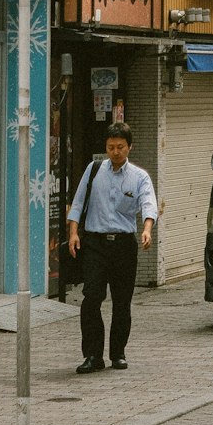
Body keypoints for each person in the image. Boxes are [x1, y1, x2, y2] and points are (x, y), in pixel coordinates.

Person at [67, 122, 158, 373]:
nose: (115, 152)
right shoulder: (94, 170)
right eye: (110, 147)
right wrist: (74, 233)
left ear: (130, 147)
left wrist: (147, 229)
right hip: (95, 244)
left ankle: (118, 353)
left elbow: (149, 204)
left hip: (123, 246)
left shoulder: (139, 177)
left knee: (121, 302)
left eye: (120, 147)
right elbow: (77, 203)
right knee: (91, 297)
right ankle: (93, 356)